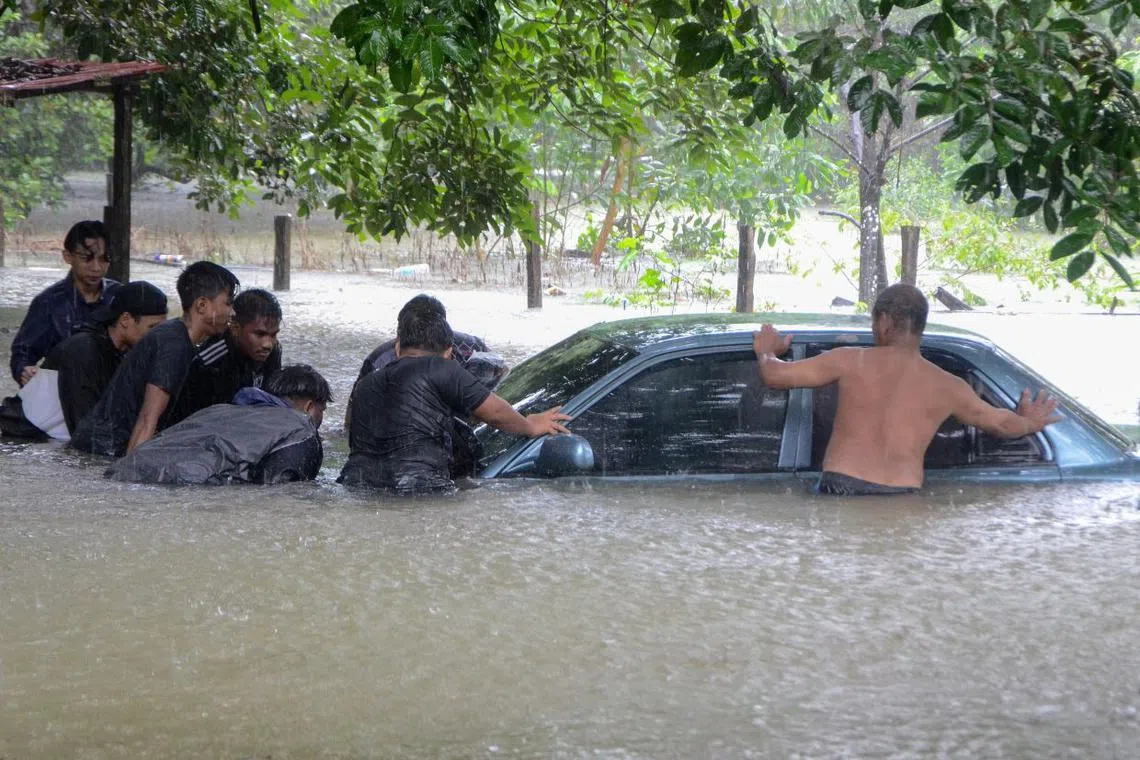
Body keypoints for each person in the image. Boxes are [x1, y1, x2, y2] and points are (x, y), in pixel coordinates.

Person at [753, 283, 1063, 495]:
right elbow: (1000, 423)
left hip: (842, 488)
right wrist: (1028, 421)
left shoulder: (850, 360)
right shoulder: (948, 386)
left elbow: (775, 377)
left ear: (885, 322)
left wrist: (767, 351)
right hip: (902, 496)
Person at [339, 302, 569, 494]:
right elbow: (496, 414)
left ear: (398, 347)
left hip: (355, 485)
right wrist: (530, 425)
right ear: (449, 352)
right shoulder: (442, 368)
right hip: (420, 487)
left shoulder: (365, 385)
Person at [71, 262, 239, 457]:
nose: (232, 312)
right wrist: (129, 482)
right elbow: (147, 420)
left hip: (100, 445)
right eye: (228, 303)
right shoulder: (174, 345)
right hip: (101, 451)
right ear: (202, 305)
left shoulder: (176, 336)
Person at [106, 364, 332, 485]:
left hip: (125, 469)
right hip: (185, 484)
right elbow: (278, 500)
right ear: (310, 407)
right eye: (322, 410)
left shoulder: (218, 410)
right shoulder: (302, 429)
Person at [0, 281, 168, 441]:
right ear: (125, 320)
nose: (159, 337)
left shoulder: (121, 353)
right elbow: (87, 432)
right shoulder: (84, 352)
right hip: (23, 437)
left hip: (48, 438)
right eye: (153, 328)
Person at [9, 220, 121, 386]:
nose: (96, 267)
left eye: (104, 259)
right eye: (87, 258)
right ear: (67, 256)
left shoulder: (120, 297)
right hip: (66, 392)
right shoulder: (49, 302)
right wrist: (25, 371)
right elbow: (23, 353)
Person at [170, 287, 283, 423]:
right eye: (260, 334)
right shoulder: (211, 362)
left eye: (273, 335)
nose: (268, 344)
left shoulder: (273, 352)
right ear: (235, 329)